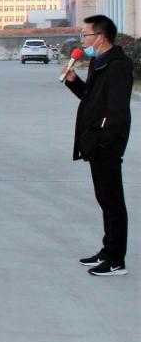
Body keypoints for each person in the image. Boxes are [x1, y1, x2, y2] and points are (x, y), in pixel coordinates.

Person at [63, 15, 132, 276]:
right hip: (94, 141)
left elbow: (117, 110)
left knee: (113, 201)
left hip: (107, 144)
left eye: (86, 35)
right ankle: (107, 250)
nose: (83, 40)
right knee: (104, 199)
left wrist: (103, 140)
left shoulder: (118, 66)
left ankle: (116, 260)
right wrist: (73, 81)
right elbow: (89, 97)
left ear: (100, 37)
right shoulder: (98, 62)